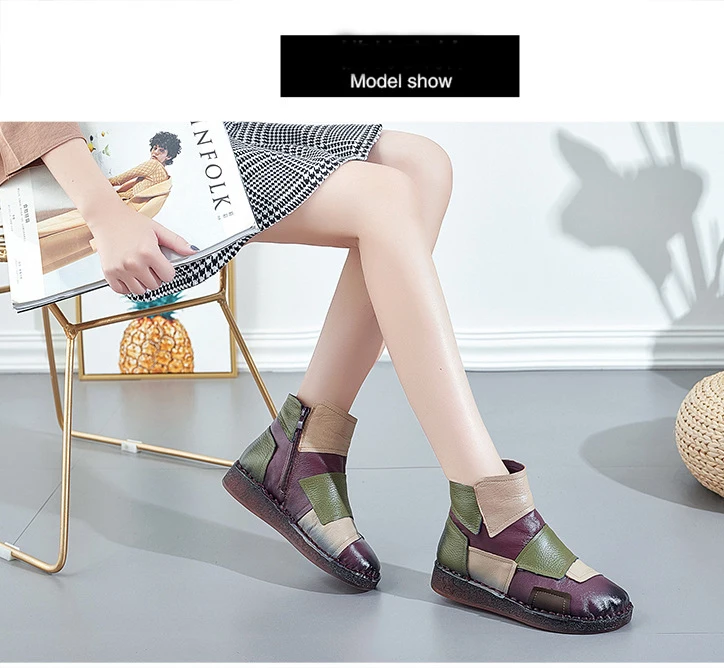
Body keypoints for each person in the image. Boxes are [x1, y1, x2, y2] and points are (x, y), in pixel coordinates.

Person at [0, 122, 633, 634]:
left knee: (424, 165)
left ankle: (303, 446)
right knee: (385, 197)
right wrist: (104, 211)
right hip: (64, 159)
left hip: (165, 119)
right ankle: (490, 512)